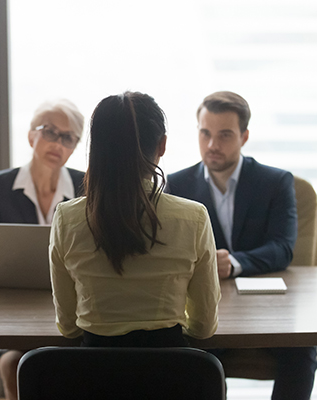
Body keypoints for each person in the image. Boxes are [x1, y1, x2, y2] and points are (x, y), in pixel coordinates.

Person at [166, 91, 317, 400]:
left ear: (244, 136)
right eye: (205, 133)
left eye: (224, 135)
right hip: (205, 308)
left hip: (267, 310)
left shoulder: (276, 182)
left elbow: (283, 248)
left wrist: (234, 262)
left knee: (302, 350)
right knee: (186, 354)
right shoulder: (176, 185)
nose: (212, 145)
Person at [50, 91, 220, 348]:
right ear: (162, 145)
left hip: (94, 383)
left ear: (96, 148)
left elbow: (69, 327)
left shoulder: (67, 219)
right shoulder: (193, 218)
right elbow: (204, 327)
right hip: (171, 382)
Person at [0, 99, 85, 400]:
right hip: (5, 306)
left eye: (68, 137)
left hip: (69, 306)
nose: (58, 143)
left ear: (74, 146)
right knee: (13, 363)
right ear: (31, 135)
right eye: (50, 132)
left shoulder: (85, 187)